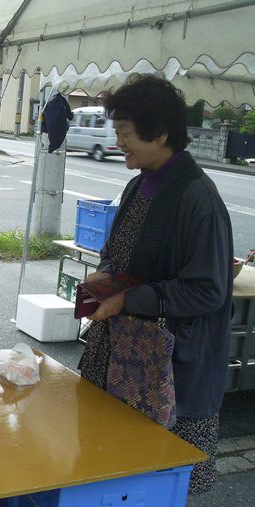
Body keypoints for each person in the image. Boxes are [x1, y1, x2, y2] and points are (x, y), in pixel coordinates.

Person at [78, 76, 233, 495]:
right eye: (117, 132)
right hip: (120, 349)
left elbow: (208, 290)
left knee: (159, 481)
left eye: (125, 133)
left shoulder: (198, 198)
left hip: (168, 366)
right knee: (108, 467)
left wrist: (130, 297)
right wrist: (105, 274)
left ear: (161, 133)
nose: (119, 142)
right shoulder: (138, 183)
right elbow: (118, 251)